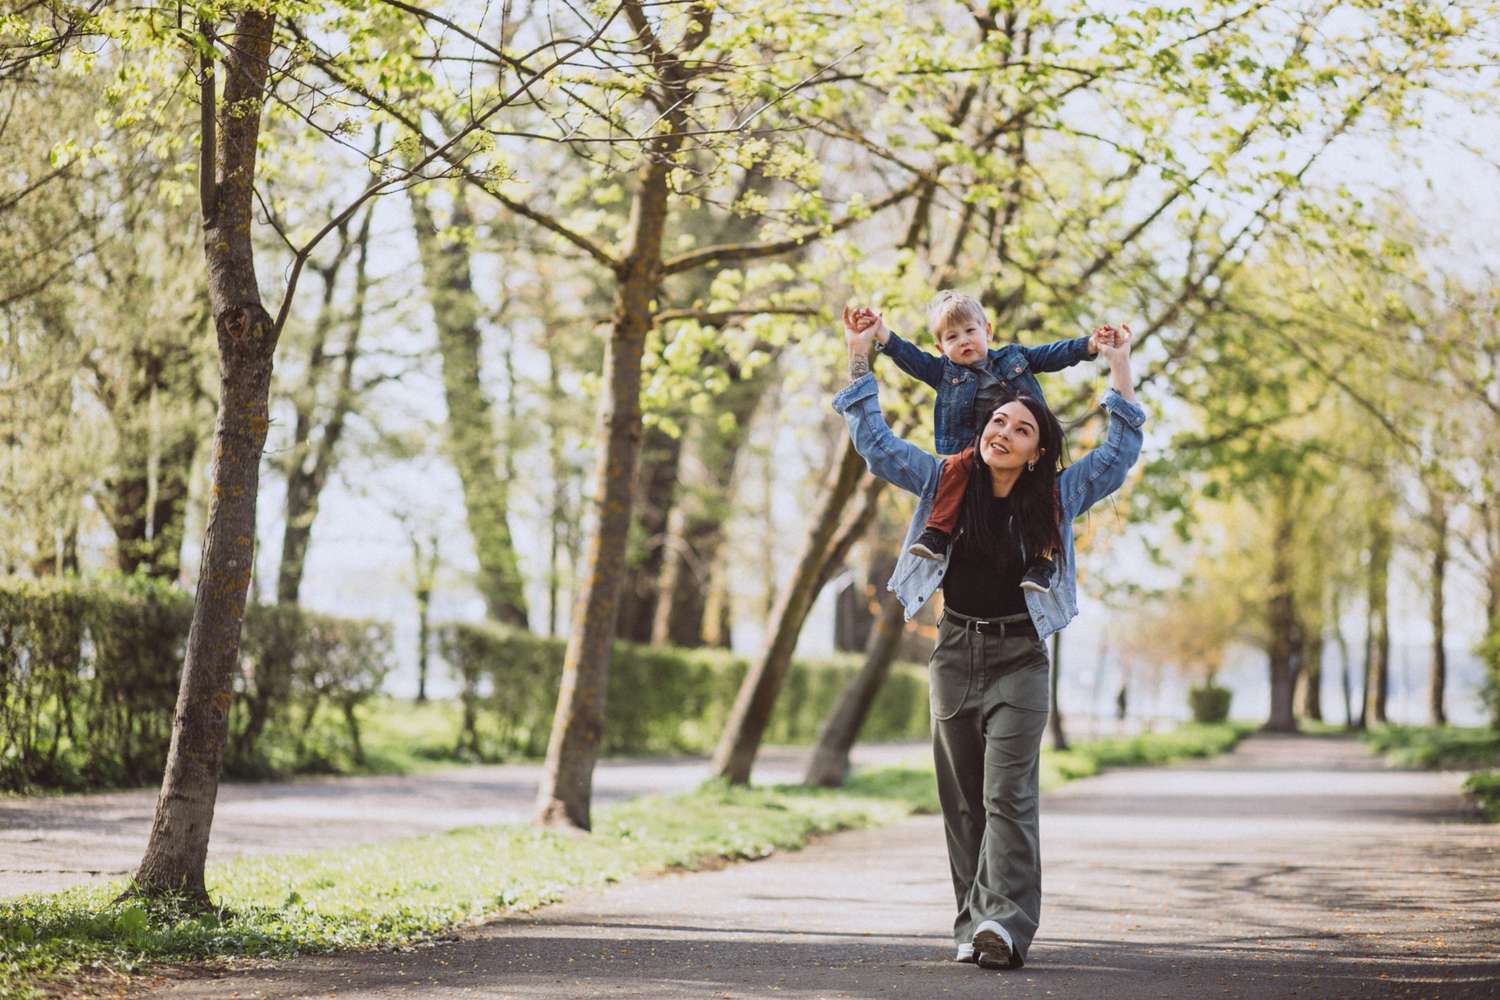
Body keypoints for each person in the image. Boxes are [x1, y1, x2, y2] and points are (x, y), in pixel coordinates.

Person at [832, 305, 1146, 971]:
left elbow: (1118, 453)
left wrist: (1119, 363)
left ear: (1038, 452)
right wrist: (861, 355)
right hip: (955, 653)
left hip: (1021, 660)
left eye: (1022, 426)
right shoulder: (946, 480)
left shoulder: (1057, 497)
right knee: (964, 803)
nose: (1004, 428)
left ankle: (1004, 925)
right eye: (998, 420)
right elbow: (878, 446)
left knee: (1009, 796)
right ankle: (973, 920)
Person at [846, 292, 1116, 593]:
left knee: (1046, 495)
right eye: (952, 337)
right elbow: (909, 356)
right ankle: (937, 532)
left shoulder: (1015, 359)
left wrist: (1090, 345)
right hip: (972, 452)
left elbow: (1053, 354)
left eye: (970, 331)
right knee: (953, 472)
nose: (963, 341)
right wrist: (880, 333)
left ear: (987, 331)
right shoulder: (943, 372)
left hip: (1023, 452)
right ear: (941, 348)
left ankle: (1042, 560)